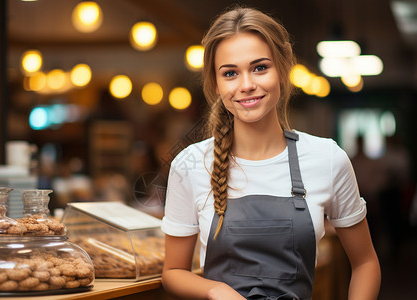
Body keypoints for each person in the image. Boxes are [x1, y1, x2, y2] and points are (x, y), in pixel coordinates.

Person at [161, 6, 381, 300]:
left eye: (260, 67)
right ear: (215, 84)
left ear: (283, 67)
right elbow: (173, 272)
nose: (247, 85)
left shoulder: (327, 159)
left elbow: (366, 263)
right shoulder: (190, 165)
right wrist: (216, 290)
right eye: (230, 73)